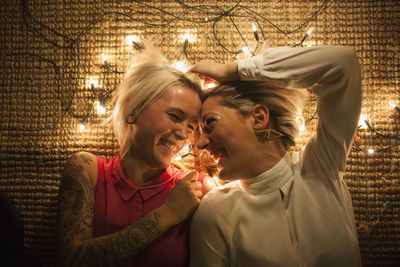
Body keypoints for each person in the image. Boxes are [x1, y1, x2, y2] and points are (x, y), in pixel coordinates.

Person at [189, 45, 363, 266]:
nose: (201, 144)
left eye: (210, 123)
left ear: (259, 117)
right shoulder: (214, 211)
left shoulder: (320, 165)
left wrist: (232, 71)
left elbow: (342, 64)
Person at [57, 42, 215, 267]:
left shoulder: (198, 188)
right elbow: (72, 260)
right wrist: (167, 214)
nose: (183, 134)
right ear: (135, 109)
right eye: (174, 115)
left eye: (191, 126)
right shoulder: (87, 169)